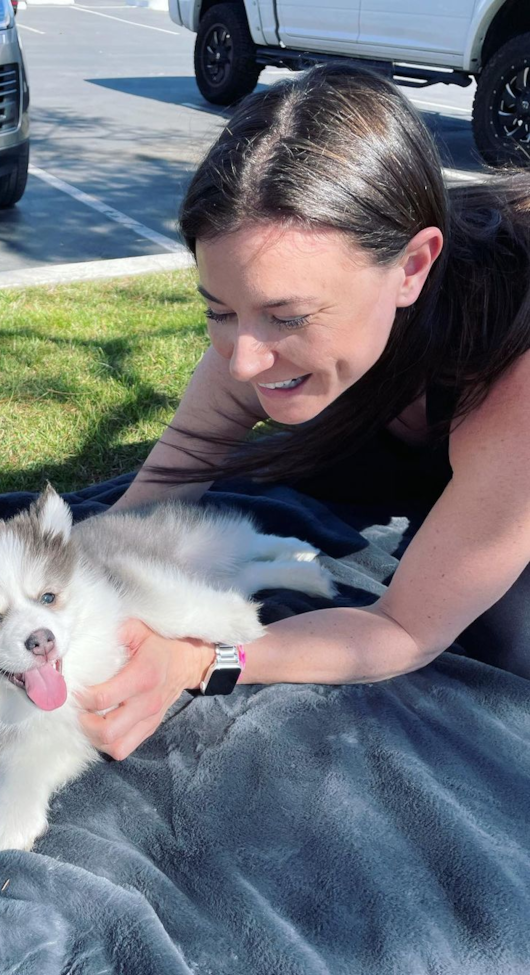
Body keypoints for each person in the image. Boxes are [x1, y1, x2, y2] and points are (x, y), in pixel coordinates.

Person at [76, 64, 530, 761]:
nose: (244, 362)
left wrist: (197, 660)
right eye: (219, 311)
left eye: (287, 317)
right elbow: (170, 479)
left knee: (507, 639)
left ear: (411, 268)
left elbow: (407, 630)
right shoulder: (259, 340)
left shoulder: (512, 369)